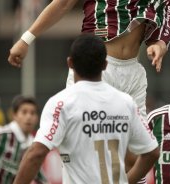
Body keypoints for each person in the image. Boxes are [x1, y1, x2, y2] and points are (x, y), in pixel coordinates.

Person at [12, 34, 159, 184]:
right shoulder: (126, 102)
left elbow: (36, 153)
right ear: (105, 65)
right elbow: (152, 152)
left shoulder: (61, 103)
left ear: (70, 63)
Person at [7, 0, 170, 120]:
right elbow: (62, 3)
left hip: (133, 72)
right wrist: (26, 39)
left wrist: (160, 43)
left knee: (137, 150)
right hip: (94, 67)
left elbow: (167, 6)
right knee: (81, 138)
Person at [0, 95, 46, 184]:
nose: (29, 117)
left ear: (37, 118)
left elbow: (40, 179)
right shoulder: (0, 136)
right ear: (14, 115)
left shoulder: (34, 145)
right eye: (24, 112)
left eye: (32, 113)